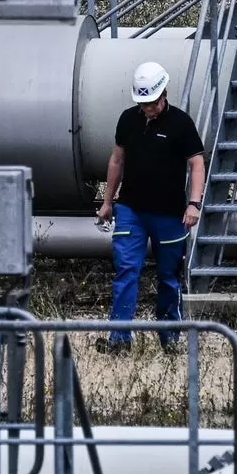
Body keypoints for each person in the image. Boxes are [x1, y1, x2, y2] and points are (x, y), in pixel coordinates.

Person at [94, 61, 205, 355]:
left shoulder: (181, 124)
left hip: (169, 214)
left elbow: (196, 164)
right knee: (126, 270)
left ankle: (170, 340)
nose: (149, 108)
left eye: (153, 102)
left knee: (169, 276)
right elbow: (117, 160)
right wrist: (108, 202)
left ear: (164, 93)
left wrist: (194, 204)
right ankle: (119, 340)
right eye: (143, 103)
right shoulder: (127, 120)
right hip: (131, 210)